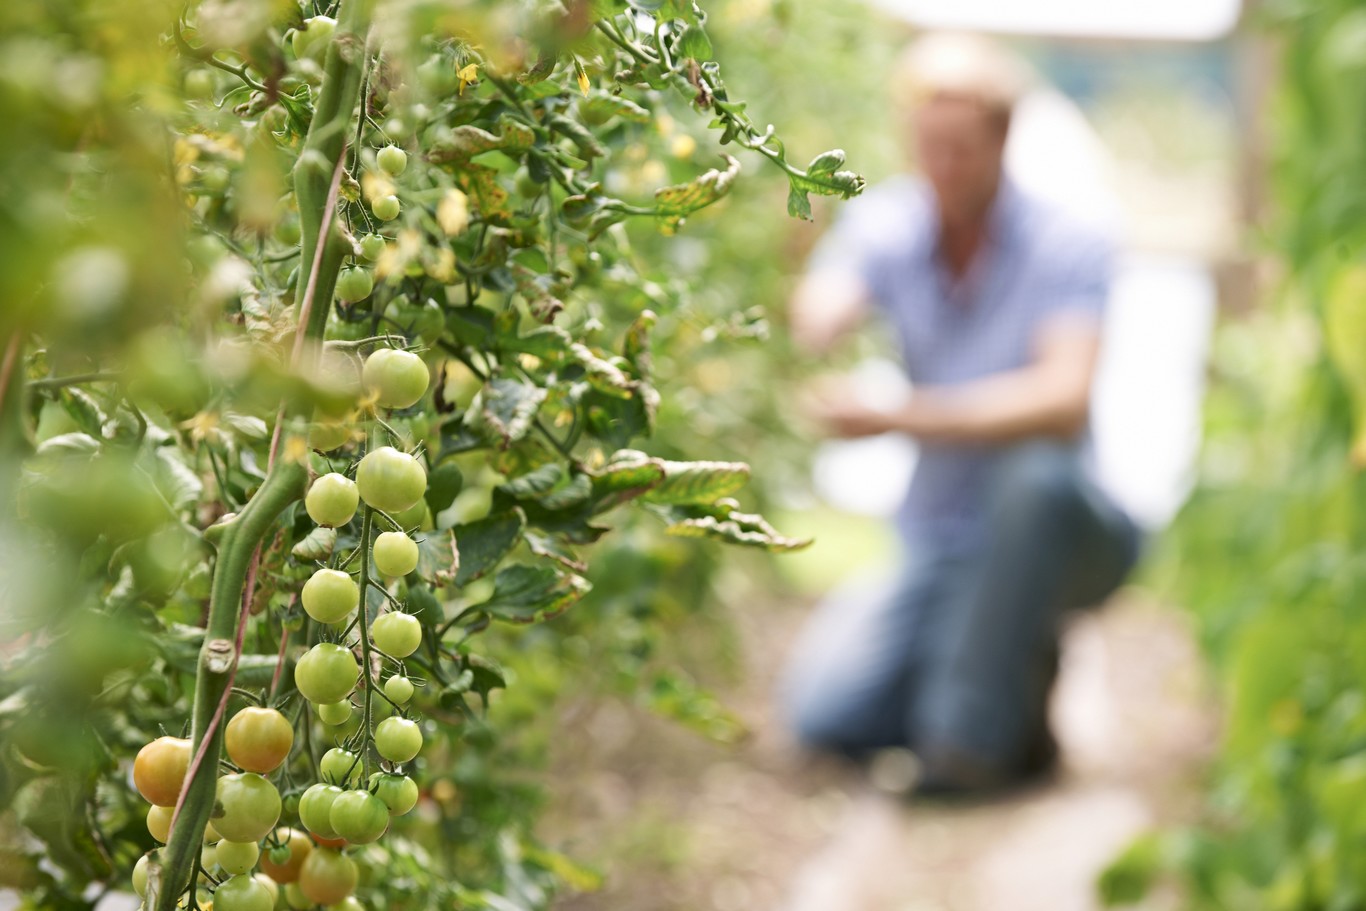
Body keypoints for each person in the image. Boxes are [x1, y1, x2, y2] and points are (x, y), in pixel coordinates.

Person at [782, 33, 1142, 795]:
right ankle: (1016, 692)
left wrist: (903, 416)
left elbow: (1062, 397)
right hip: (941, 536)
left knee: (1034, 475)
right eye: (929, 147)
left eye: (962, 149)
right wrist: (811, 292)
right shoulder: (890, 224)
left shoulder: (1069, 241)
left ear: (1003, 139)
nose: (944, 167)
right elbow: (826, 303)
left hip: (1064, 532)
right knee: (825, 716)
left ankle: (968, 746)